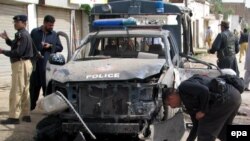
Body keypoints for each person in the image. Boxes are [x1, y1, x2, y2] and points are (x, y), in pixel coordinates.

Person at [165, 74, 243, 141]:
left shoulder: (184, 87)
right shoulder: (187, 102)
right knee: (222, 131)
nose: (172, 107)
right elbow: (196, 125)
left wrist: (203, 111)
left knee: (205, 133)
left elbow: (204, 90)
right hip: (234, 97)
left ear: (171, 97)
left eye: (169, 104)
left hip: (225, 98)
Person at [0, 15, 33, 124]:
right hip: (25, 63)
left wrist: (3, 51)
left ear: (24, 23)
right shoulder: (23, 34)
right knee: (25, 91)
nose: (15, 24)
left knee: (16, 90)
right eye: (14, 22)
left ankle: (13, 117)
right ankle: (26, 115)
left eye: (17, 22)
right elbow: (15, 45)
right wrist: (7, 39)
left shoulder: (22, 35)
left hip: (20, 64)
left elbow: (18, 52)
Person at [30, 15, 63, 110]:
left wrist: (50, 46)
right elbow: (30, 45)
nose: (51, 27)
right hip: (35, 65)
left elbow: (60, 48)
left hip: (47, 66)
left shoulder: (54, 34)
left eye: (52, 25)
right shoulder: (35, 32)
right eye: (49, 25)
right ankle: (31, 108)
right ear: (44, 23)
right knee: (33, 88)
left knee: (47, 89)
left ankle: (47, 108)